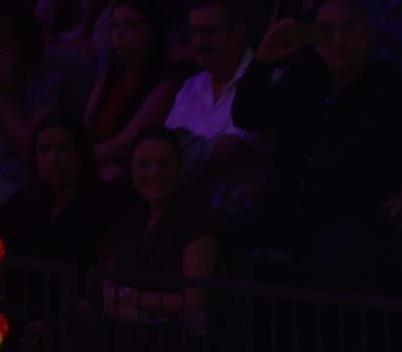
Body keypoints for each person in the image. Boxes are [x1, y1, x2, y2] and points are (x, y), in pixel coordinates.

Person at [229, 0, 402, 295]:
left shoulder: (397, 88)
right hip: (294, 207)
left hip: (360, 215)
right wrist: (262, 62)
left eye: (347, 30)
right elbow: (247, 114)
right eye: (327, 31)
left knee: (336, 258)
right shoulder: (303, 79)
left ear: (368, 35)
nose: (338, 41)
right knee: (228, 236)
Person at [98, 127, 216, 327]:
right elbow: (107, 288)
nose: (154, 173)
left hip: (173, 338)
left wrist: (129, 297)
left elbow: (194, 302)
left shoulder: (196, 221)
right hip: (123, 333)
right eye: (144, 164)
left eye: (164, 164)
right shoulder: (127, 222)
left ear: (179, 167)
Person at [162, 0, 260, 203]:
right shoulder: (191, 85)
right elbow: (163, 150)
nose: (198, 42)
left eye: (208, 32)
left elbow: (232, 151)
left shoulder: (266, 83)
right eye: (194, 32)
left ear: (239, 32)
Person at [0, 111, 121, 273]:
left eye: (63, 149)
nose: (53, 158)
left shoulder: (106, 206)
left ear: (80, 154)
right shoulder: (22, 204)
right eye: (44, 150)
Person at [81, 0, 178, 181]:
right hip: (93, 165)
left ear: (152, 31)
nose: (119, 34)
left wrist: (76, 159)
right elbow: (85, 127)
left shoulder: (165, 85)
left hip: (132, 174)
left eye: (130, 26)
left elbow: (125, 144)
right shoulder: (108, 78)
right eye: (115, 26)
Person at [0, 6, 89, 204]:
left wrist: (2, 99)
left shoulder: (50, 86)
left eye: (3, 45)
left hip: (20, 181)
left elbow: (35, 153)